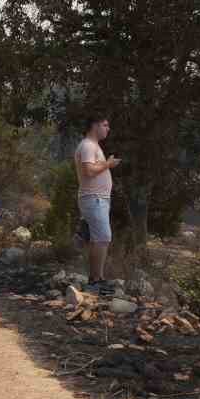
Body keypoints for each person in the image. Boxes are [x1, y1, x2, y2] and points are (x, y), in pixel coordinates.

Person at [73, 114, 121, 287]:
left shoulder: (93, 146)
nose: (108, 129)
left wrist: (107, 164)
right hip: (94, 198)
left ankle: (96, 279)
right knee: (103, 237)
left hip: (98, 199)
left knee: (98, 238)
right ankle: (96, 280)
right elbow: (89, 171)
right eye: (105, 125)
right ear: (95, 126)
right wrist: (108, 164)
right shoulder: (88, 145)